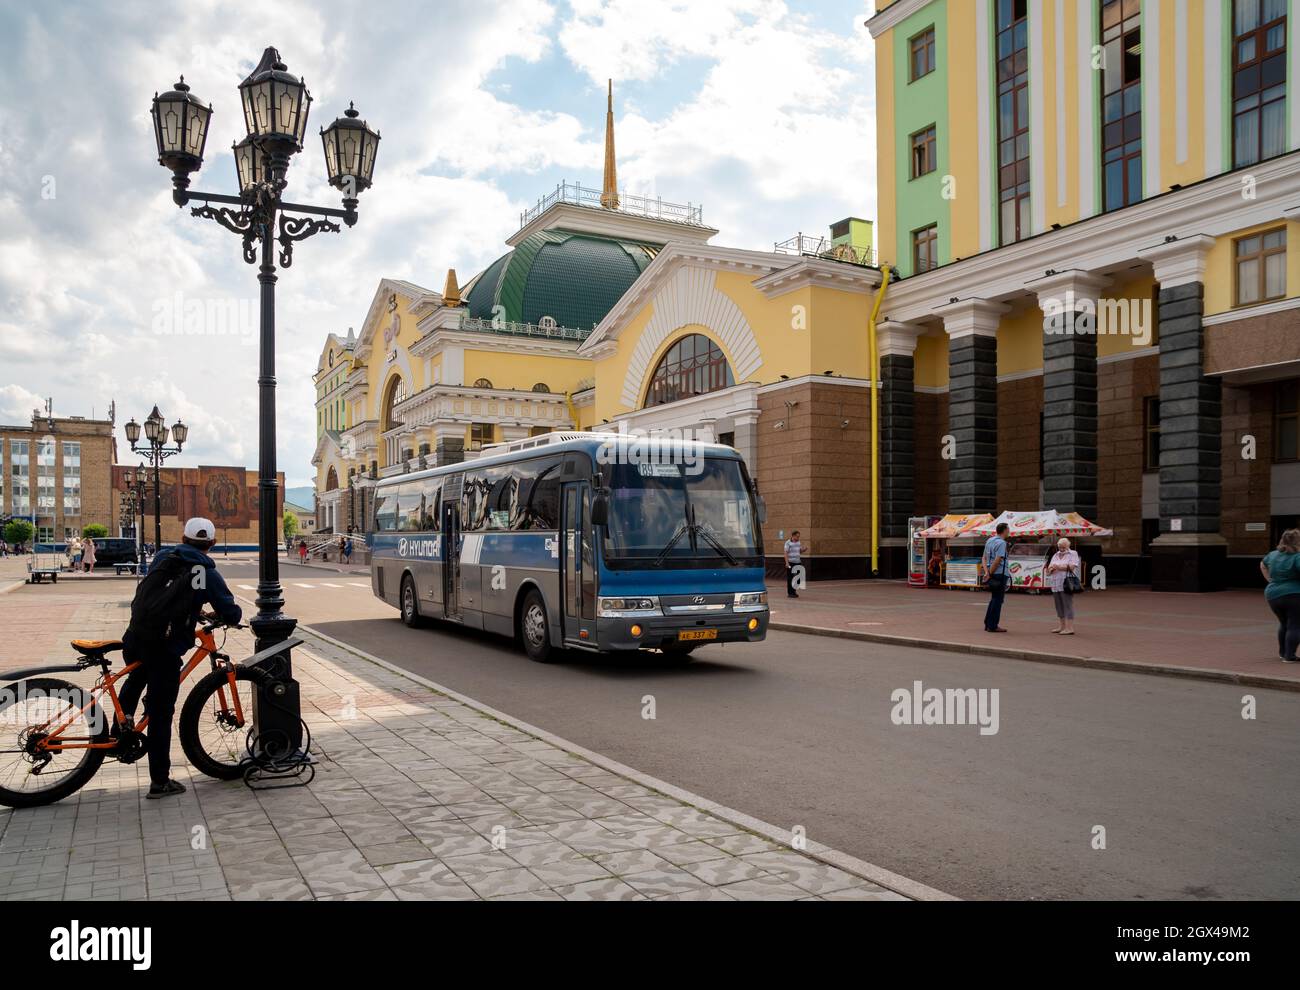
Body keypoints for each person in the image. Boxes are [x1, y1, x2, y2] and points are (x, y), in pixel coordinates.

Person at [117, 518, 242, 799]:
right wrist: (226, 616)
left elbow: (166, 595)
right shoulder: (205, 570)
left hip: (136, 636)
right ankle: (160, 782)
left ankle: (119, 733)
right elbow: (229, 610)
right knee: (162, 713)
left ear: (183, 539)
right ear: (211, 544)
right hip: (164, 646)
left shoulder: (164, 556)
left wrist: (191, 610)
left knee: (135, 680)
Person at [1260, 529, 1300, 664]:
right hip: (1294, 594)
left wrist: (1270, 579)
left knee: (1284, 624)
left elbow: (1262, 564)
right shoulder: (1297, 556)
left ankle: (1283, 653)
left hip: (1273, 594)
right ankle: (1290, 656)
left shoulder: (1273, 554)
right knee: (1295, 625)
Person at [1045, 537, 1082, 635]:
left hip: (1066, 583)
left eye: (1063, 547)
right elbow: (1049, 569)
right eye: (1059, 547)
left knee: (1067, 605)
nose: (1061, 549)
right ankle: (1061, 626)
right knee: (1058, 605)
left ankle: (1070, 628)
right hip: (1055, 583)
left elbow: (1072, 567)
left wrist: (1057, 567)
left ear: (1067, 546)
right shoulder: (1056, 555)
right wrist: (1050, 569)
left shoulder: (1073, 553)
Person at [979, 522, 1011, 632]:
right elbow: (998, 560)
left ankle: (988, 623)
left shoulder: (989, 540)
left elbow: (983, 558)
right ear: (1005, 530)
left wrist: (986, 572)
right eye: (1008, 529)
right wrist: (990, 573)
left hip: (991, 572)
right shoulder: (1002, 543)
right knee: (998, 600)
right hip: (999, 574)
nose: (1009, 531)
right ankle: (993, 625)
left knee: (994, 598)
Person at [783, 530, 806, 598]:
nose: (798, 538)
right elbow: (785, 553)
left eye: (799, 536)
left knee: (800, 576)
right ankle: (791, 593)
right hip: (790, 562)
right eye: (797, 536)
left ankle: (794, 590)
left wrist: (803, 550)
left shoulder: (798, 542)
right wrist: (787, 563)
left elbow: (799, 551)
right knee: (790, 578)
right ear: (793, 536)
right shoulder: (788, 543)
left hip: (798, 561)